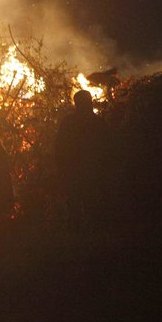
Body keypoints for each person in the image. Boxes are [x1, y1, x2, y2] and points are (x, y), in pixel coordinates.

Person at [55, 90, 110, 226]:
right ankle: (91, 230)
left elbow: (59, 147)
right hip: (91, 169)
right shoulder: (98, 122)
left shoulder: (68, 122)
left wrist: (61, 167)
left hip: (76, 169)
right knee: (90, 201)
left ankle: (78, 230)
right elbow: (107, 147)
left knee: (77, 201)